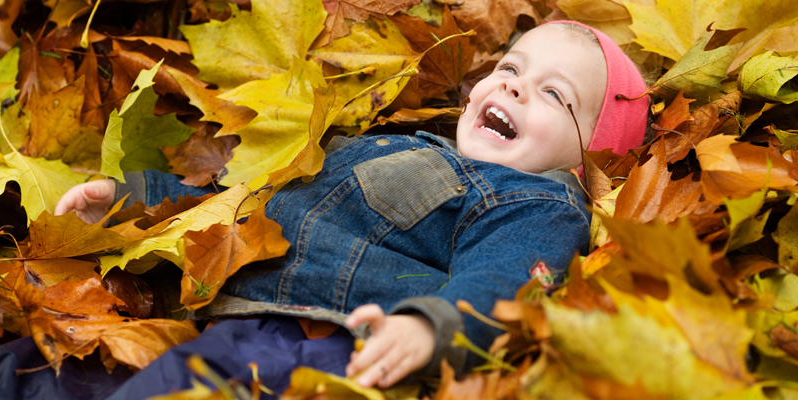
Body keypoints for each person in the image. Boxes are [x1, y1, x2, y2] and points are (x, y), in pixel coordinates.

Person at [50, 20, 648, 398]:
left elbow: (508, 277)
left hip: (315, 344)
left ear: (588, 160)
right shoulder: (395, 143)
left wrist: (431, 325)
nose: (515, 86)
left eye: (554, 94)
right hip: (216, 314)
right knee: (40, 370)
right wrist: (138, 199)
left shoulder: (536, 201)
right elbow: (243, 203)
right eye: (511, 68)